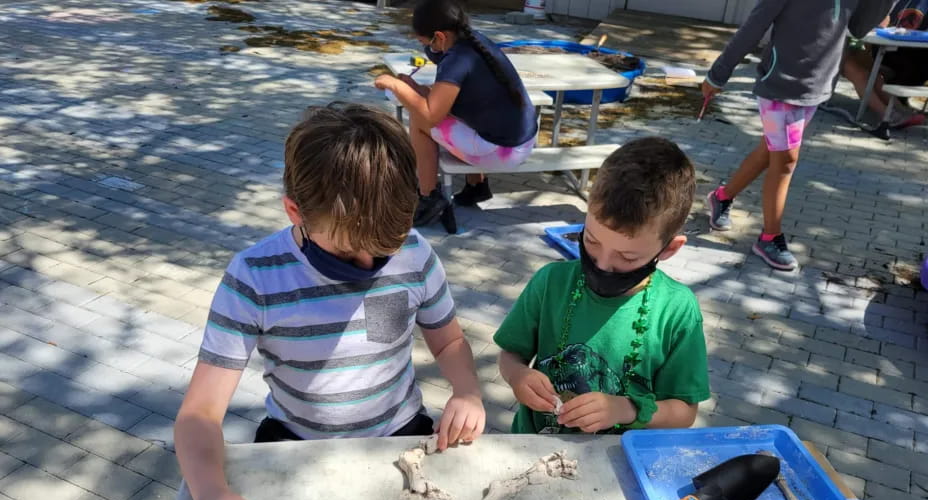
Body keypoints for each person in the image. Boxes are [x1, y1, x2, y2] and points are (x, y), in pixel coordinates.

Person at [174, 104, 486, 500]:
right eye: (347, 251)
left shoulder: (414, 256)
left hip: (402, 435)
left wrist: (468, 391)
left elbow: (448, 341)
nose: (368, 266)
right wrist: (214, 497)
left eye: (386, 248)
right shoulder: (256, 277)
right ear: (295, 211)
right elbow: (198, 413)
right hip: (296, 443)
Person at [494, 137, 710, 436]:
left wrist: (626, 409)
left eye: (627, 256)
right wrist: (517, 376)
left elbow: (684, 412)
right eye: (592, 241)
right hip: (535, 446)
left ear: (669, 249)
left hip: (617, 464)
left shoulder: (676, 310)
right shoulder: (551, 282)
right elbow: (510, 355)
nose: (603, 264)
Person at [703, 0, 895, 271]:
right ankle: (769, 237)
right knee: (786, 161)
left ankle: (721, 197)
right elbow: (753, 26)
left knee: (769, 152)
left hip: (815, 88)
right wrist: (718, 74)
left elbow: (859, 28)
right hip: (779, 86)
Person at [373, 0, 537, 227]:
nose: (427, 49)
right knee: (440, 112)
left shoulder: (457, 60)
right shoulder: (474, 41)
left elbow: (431, 114)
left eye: (426, 42)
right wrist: (414, 87)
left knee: (419, 120)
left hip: (504, 151)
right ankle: (476, 187)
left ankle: (428, 197)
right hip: (521, 138)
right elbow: (443, 99)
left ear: (439, 36)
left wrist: (395, 85)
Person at [842, 0, 928, 127]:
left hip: (848, 43)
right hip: (825, 49)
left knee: (872, 73)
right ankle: (886, 114)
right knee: (857, 72)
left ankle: (900, 109)